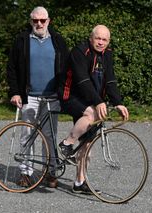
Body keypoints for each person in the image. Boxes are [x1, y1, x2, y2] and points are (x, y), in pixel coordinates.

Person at [58, 25, 129, 194]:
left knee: (88, 145)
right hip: (70, 96)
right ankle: (66, 143)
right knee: (92, 113)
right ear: (91, 38)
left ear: (108, 41)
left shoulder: (107, 54)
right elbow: (82, 80)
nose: (101, 42)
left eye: (104, 40)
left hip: (89, 98)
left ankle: (79, 182)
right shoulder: (79, 52)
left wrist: (117, 102)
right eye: (98, 38)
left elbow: (110, 80)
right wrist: (98, 102)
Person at [7, 6, 69, 188]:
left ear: (49, 21)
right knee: (27, 134)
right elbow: (11, 68)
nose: (39, 24)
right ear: (31, 21)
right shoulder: (21, 40)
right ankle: (25, 173)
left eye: (43, 20)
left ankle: (50, 172)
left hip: (52, 97)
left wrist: (63, 93)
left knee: (50, 136)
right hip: (29, 96)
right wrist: (15, 92)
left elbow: (66, 69)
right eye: (35, 20)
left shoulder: (58, 41)